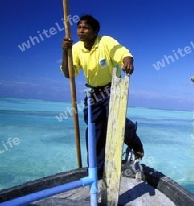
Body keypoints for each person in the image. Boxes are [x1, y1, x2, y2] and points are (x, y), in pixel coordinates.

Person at [61, 14, 144, 178]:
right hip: (92, 93)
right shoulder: (76, 48)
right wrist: (65, 52)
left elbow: (122, 52)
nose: (81, 31)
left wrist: (128, 60)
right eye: (79, 27)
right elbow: (69, 74)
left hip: (113, 88)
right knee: (94, 130)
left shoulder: (105, 41)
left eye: (85, 28)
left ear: (95, 31)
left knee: (116, 123)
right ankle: (97, 171)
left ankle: (133, 139)